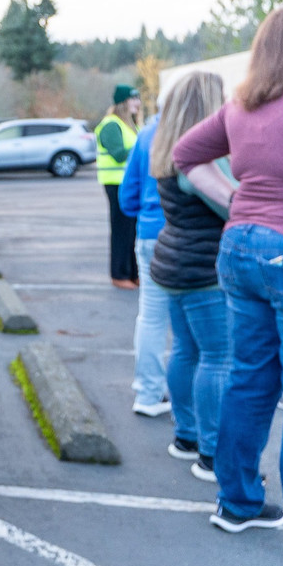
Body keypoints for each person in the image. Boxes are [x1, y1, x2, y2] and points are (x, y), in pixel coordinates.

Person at [173, 1, 283, 566]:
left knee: (250, 378)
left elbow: (185, 155)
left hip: (239, 248)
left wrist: (235, 198)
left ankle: (236, 502)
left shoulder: (242, 104)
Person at [147, 72, 232, 482]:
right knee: (217, 357)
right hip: (204, 268)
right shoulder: (203, 160)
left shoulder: (165, 149)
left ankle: (186, 436)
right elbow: (234, 205)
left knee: (185, 350)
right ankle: (211, 453)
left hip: (173, 263)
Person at [118, 108, 172, 418]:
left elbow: (127, 197)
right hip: (190, 239)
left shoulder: (147, 134)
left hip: (150, 234)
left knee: (151, 318)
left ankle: (148, 393)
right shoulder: (202, 130)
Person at [95, 83, 143, 288]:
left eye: (138, 98)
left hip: (130, 183)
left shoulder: (130, 125)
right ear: (123, 102)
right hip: (116, 184)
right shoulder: (111, 125)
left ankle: (133, 273)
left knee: (132, 230)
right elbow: (118, 154)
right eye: (133, 99)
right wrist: (143, 148)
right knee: (122, 230)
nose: (138, 103)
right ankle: (120, 274)